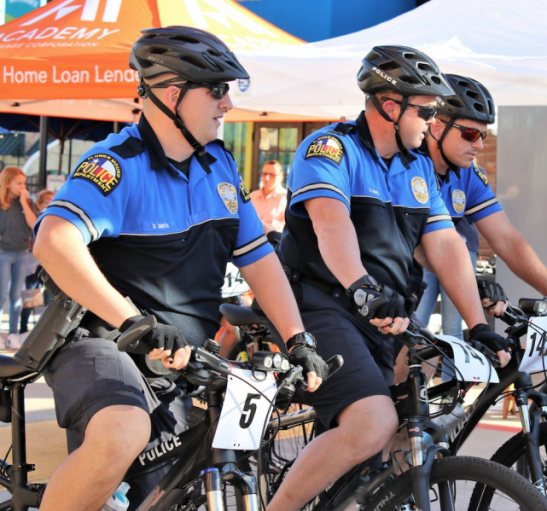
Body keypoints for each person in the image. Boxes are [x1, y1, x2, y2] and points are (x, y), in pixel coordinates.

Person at [32, 26, 325, 511]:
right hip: (103, 345)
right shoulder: (116, 164)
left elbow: (258, 259)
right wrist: (132, 321)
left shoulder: (221, 169)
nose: (228, 103)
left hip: (182, 360)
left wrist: (298, 339)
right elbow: (53, 240)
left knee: (189, 482)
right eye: (217, 89)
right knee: (124, 429)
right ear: (173, 94)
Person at [269, 46, 512, 511]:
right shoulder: (331, 148)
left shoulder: (418, 165)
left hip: (385, 315)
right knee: (371, 423)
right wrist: (363, 288)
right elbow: (331, 223)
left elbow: (445, 246)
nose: (432, 121)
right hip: (321, 304)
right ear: (388, 105)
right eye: (426, 110)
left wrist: (478, 323)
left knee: (412, 417)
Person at [415, 74, 547, 333]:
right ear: (438, 127)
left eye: (483, 135)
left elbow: (507, 238)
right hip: (379, 275)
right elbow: (412, 243)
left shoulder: (468, 174)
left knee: (441, 348)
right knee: (413, 346)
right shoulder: (407, 165)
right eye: (471, 134)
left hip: (432, 265)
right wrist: (472, 282)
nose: (480, 145)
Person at [415, 217, 480, 338]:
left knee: (451, 325)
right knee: (417, 320)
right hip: (426, 246)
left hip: (459, 245)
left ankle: (455, 356)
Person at [0, 167, 38, 349]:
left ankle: (12, 333)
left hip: (22, 253)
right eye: (19, 183)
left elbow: (34, 225)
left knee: (16, 295)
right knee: (1, 294)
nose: (23, 186)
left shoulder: (27, 203)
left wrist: (24, 203)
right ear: (7, 184)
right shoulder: (1, 204)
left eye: (24, 182)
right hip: (3, 253)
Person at [19, 189, 55, 339]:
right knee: (30, 296)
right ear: (39, 204)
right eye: (46, 201)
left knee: (49, 298)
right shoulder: (36, 218)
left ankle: (43, 333)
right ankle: (23, 329)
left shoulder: (53, 219)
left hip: (48, 265)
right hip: (32, 264)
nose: (49, 204)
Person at [252, 159, 287, 232]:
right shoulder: (252, 197)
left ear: (280, 177)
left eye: (271, 175)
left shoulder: (285, 198)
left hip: (273, 242)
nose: (267, 178)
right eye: (264, 174)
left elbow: (286, 227)